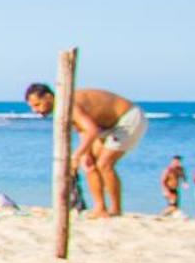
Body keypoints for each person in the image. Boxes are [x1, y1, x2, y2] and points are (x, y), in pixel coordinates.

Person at [25, 83, 146, 217]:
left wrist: (76, 155)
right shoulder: (61, 109)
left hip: (127, 119)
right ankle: (100, 207)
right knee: (89, 164)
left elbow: (92, 130)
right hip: (105, 126)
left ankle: (116, 209)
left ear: (48, 97)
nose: (35, 110)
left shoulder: (68, 103)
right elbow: (83, 129)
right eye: (32, 107)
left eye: (37, 105)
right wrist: (85, 153)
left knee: (104, 164)